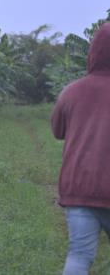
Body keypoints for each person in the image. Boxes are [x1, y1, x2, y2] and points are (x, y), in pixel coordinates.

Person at [51, 23, 110, 275]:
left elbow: (57, 131)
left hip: (79, 187)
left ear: (93, 52)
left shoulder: (71, 92)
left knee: (79, 254)